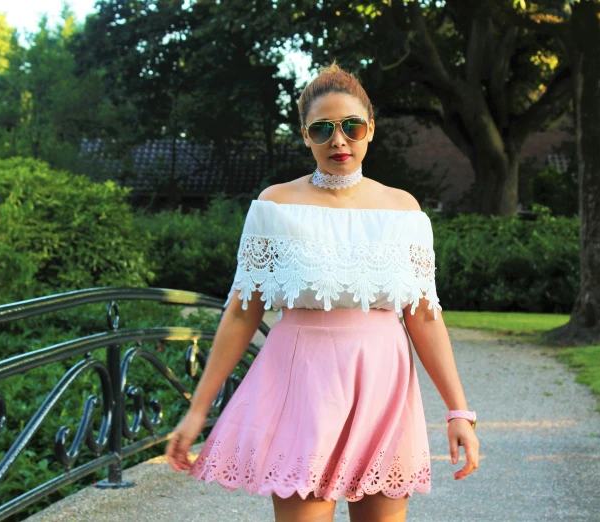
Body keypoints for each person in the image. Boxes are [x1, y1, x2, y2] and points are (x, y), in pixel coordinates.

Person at [165, 61, 480, 522]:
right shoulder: (274, 206)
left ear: (370, 129)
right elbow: (240, 314)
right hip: (303, 389)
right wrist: (197, 412)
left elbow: (425, 317)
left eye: (352, 127)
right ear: (305, 134)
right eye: (323, 130)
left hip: (383, 388)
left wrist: (459, 412)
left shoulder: (405, 211)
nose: (339, 140)